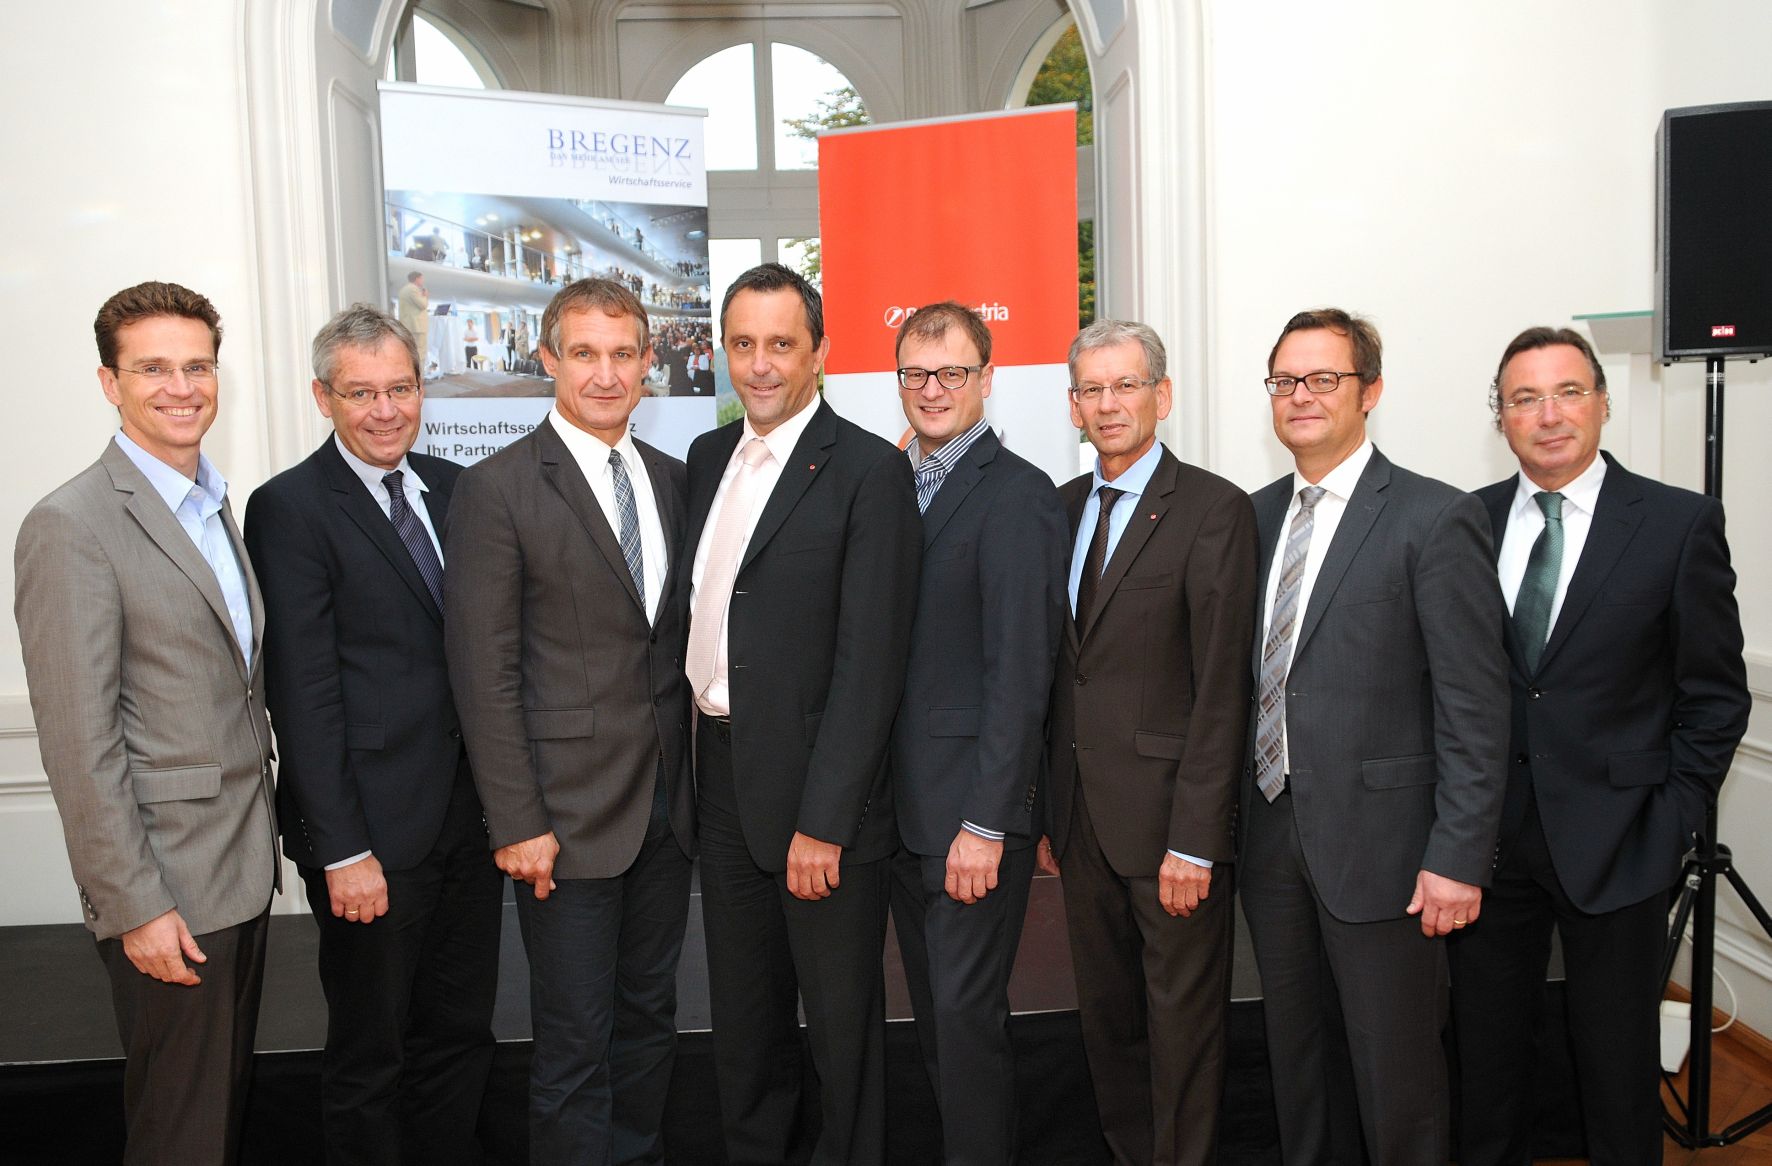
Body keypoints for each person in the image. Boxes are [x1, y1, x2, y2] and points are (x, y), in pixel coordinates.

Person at [1449, 327, 1751, 1165]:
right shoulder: (1463, 522)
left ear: (1602, 403)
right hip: (1488, 845)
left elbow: (1716, 697)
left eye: (1568, 392)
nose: (1548, 415)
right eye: (1525, 398)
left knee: (1617, 1073)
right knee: (1487, 1067)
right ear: (1501, 417)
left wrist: (1671, 820)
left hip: (1622, 843)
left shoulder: (1677, 524)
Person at [14, 281, 278, 1164]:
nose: (181, 387)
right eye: (154, 368)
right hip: (169, 891)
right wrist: (136, 905)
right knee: (180, 1136)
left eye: (197, 366)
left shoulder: (212, 505)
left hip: (237, 871)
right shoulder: (71, 524)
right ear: (109, 383)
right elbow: (78, 743)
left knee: (215, 1123)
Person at [1240, 308, 1509, 1165]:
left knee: (1398, 1082)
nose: (1300, 396)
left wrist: (1459, 854)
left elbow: (1475, 705)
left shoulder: (1435, 517)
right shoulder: (1252, 519)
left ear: (1371, 392)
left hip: (1391, 854)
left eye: (1324, 378)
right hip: (1271, 840)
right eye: (1285, 380)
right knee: (1300, 1071)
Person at [243, 305, 502, 1165]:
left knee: (459, 1036)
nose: (386, 410)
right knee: (371, 1051)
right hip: (371, 841)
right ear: (323, 397)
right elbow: (303, 692)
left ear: (423, 389)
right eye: (361, 393)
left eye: (400, 388)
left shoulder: (456, 488)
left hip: (468, 825)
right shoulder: (289, 508)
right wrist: (343, 849)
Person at [446, 278, 695, 1165]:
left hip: (668, 812)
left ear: (649, 363)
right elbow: (483, 672)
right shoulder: (497, 489)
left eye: (623, 354)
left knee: (649, 1024)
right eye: (584, 354)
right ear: (547, 359)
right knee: (574, 1044)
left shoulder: (674, 480)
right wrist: (518, 821)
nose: (605, 374)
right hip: (563, 821)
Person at [685, 262, 921, 1165]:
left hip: (821, 800)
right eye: (743, 343)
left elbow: (871, 666)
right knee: (744, 1029)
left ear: (819, 352)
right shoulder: (706, 459)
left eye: (781, 344)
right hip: (719, 783)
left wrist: (824, 822)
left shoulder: (868, 471)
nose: (760, 364)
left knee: (840, 1035)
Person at [1039, 320, 1258, 1165]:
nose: (1109, 404)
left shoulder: (1213, 510)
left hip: (1172, 832)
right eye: (1092, 390)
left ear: (1161, 397)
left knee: (1183, 1034)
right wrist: (1050, 812)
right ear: (1073, 406)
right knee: (1111, 1026)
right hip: (1082, 826)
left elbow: (1221, 688)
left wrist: (1196, 841)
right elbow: (1061, 673)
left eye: (1126, 385)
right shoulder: (1059, 509)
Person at [887, 302, 1067, 1165]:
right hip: (899, 817)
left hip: (969, 821)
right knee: (938, 1026)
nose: (933, 390)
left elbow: (1022, 676)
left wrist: (987, 823)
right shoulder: (895, 482)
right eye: (916, 374)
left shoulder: (1019, 494)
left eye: (952, 373)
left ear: (987, 380)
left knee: (965, 1028)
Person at [397, 271, 430, 378]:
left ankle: (412, 376)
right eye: (421, 278)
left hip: (408, 325)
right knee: (420, 352)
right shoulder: (413, 289)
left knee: (410, 352)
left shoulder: (403, 289)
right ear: (417, 279)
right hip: (417, 327)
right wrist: (425, 296)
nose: (422, 281)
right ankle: (419, 377)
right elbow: (423, 305)